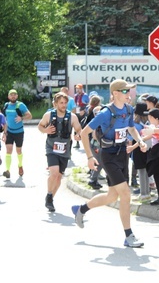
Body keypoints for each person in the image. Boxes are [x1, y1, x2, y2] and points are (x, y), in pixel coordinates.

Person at [72, 79, 147, 248]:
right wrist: (90, 158)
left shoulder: (128, 109)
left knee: (112, 196)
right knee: (126, 194)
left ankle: (81, 210)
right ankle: (129, 236)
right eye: (126, 91)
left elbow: (131, 128)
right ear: (115, 93)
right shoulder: (105, 113)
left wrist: (140, 141)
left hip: (122, 155)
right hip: (109, 156)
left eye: (130, 91)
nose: (130, 95)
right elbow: (85, 133)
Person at [38, 92, 82, 212]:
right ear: (56, 103)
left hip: (65, 150)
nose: (63, 105)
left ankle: (50, 198)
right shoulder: (49, 115)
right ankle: (49, 194)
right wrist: (46, 130)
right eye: (61, 103)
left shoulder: (72, 117)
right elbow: (40, 126)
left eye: (65, 103)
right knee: (54, 173)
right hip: (51, 148)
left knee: (59, 177)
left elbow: (79, 130)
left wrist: (78, 135)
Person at [2, 89, 32, 178]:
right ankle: (7, 170)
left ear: (17, 96)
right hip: (9, 132)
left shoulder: (20, 105)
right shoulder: (6, 106)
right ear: (8, 96)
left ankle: (20, 165)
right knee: (8, 151)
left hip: (19, 132)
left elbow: (30, 116)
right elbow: (5, 121)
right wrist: (4, 133)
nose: (13, 96)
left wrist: (21, 118)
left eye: (15, 94)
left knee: (18, 151)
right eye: (11, 95)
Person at [74, 84, 89, 149]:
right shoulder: (76, 96)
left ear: (81, 89)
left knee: (84, 127)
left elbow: (88, 105)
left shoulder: (85, 96)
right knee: (76, 127)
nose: (77, 90)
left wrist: (84, 111)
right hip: (77, 112)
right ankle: (77, 143)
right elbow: (75, 105)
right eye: (77, 89)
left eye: (79, 89)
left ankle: (87, 143)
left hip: (83, 112)